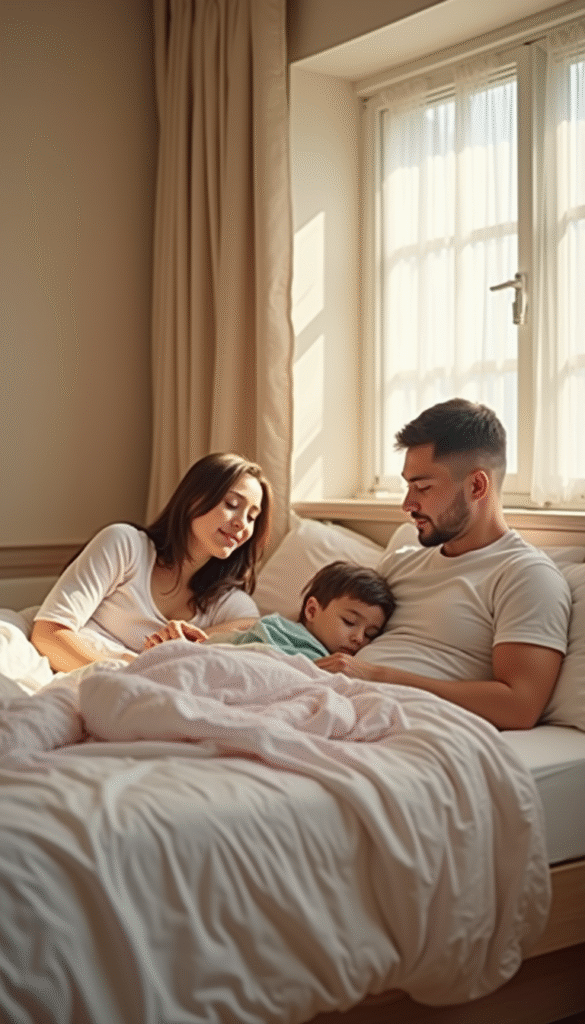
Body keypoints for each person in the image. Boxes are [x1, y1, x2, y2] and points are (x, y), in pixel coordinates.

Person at [315, 399, 572, 731]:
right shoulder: (401, 563)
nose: (408, 504)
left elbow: (518, 707)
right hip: (330, 701)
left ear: (477, 486)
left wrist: (377, 676)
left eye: (422, 487)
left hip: (400, 720)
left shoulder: (525, 576)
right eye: (408, 486)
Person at [31, 453, 272, 673]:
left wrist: (186, 645)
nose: (242, 523)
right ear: (193, 499)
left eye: (252, 517)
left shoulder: (230, 604)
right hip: (73, 676)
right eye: (231, 504)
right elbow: (47, 634)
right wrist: (131, 671)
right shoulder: (125, 544)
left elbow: (255, 634)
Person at [161, 561, 396, 661]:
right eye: (349, 621)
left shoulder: (337, 664)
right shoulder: (276, 629)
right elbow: (227, 645)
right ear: (312, 610)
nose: (358, 638)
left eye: (370, 634)